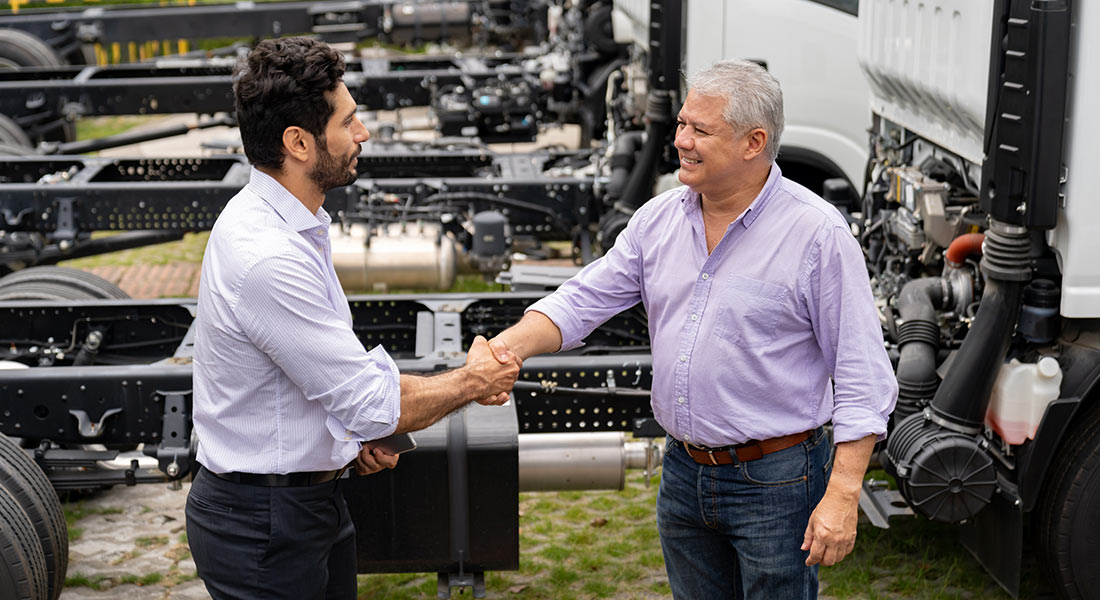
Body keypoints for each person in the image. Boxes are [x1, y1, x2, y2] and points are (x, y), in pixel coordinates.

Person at [487, 59, 897, 599]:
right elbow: (584, 299)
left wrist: (843, 492)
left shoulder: (817, 236)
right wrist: (505, 350)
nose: (680, 140)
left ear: (754, 142)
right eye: (682, 123)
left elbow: (863, 376)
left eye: (700, 130)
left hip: (776, 480)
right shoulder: (659, 219)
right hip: (683, 470)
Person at [185, 36, 521, 600]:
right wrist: (476, 380)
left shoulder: (288, 223)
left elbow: (307, 379)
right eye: (349, 122)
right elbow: (372, 403)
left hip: (303, 501)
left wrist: (343, 441)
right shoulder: (269, 256)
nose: (362, 134)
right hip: (267, 526)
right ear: (298, 142)